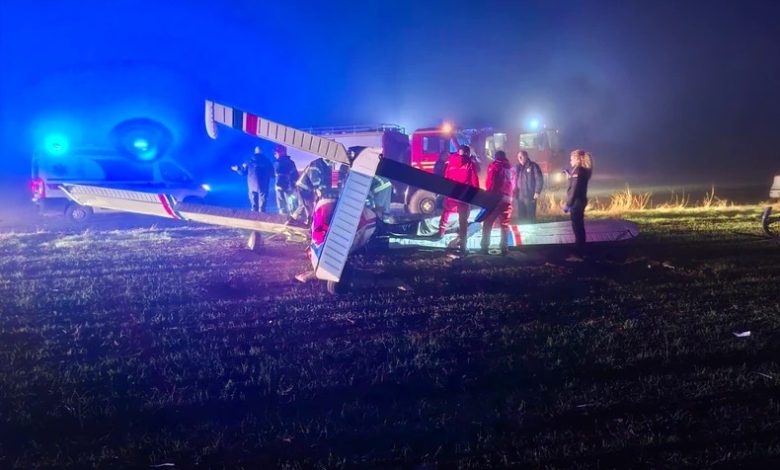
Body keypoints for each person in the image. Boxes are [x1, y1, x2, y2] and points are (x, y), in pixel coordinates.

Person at [438, 144, 480, 253]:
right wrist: (476, 193)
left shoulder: (451, 162)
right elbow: (474, 179)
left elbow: (446, 177)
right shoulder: (469, 163)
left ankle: (441, 232)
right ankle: (463, 243)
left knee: (446, 212)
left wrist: (446, 192)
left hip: (452, 192)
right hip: (463, 194)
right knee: (463, 219)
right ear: (467, 153)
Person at [480, 150, 513, 255]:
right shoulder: (510, 168)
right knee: (504, 224)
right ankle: (504, 247)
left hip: (496, 198)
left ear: (496, 157)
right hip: (507, 199)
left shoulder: (494, 166)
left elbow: (491, 182)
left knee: (487, 222)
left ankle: (485, 246)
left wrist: (488, 195)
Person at [564, 149, 593, 261]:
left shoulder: (578, 170)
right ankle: (581, 252)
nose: (570, 161)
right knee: (579, 228)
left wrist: (568, 204)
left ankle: (578, 254)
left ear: (577, 159)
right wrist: (569, 177)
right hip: (580, 201)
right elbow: (575, 184)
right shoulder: (582, 170)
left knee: (577, 229)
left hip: (576, 202)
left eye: (571, 159)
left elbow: (574, 190)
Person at [231, 146, 273, 212]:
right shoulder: (267, 162)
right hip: (263, 186)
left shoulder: (249, 161)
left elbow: (243, 173)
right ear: (262, 152)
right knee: (262, 206)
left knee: (254, 206)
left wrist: (238, 169)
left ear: (255, 152)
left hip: (252, 186)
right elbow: (272, 174)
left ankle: (254, 216)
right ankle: (262, 216)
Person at [514, 150, 544, 223]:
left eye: (521, 156)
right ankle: (523, 230)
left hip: (530, 196)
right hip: (520, 198)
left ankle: (532, 230)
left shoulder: (533, 166)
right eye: (518, 157)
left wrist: (537, 191)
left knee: (531, 218)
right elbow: (514, 180)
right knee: (521, 218)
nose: (520, 158)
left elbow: (539, 179)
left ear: (526, 156)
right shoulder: (517, 168)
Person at [272, 145, 299, 216]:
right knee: (288, 204)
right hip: (283, 186)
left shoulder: (278, 163)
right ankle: (290, 216)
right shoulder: (289, 162)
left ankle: (288, 217)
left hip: (286, 186)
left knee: (285, 204)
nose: (275, 154)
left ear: (282, 152)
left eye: (276, 152)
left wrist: (294, 185)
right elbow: (295, 175)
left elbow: (295, 175)